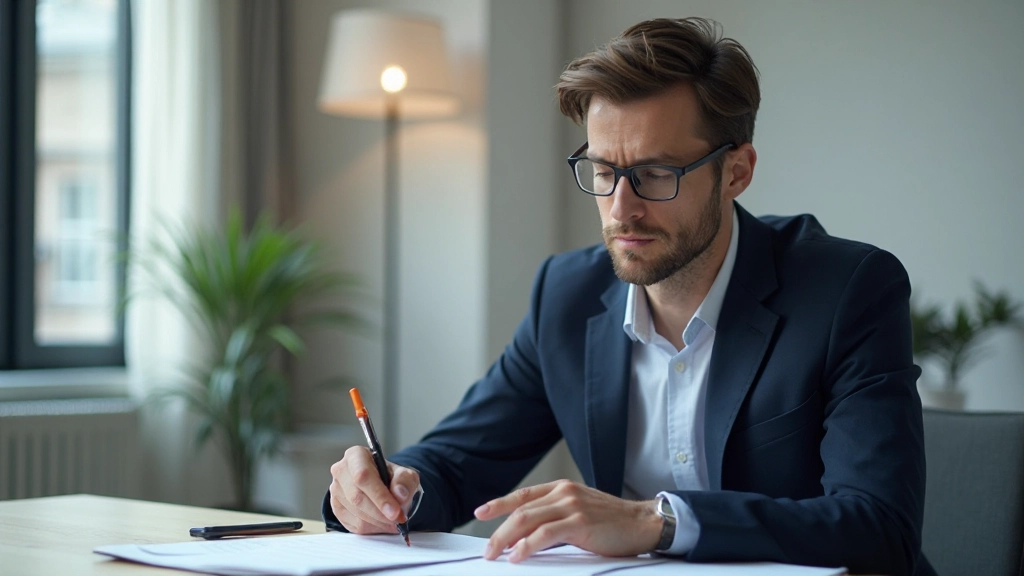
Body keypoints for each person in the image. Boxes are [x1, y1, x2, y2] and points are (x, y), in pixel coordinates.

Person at [323, 17, 934, 576]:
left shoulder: (847, 290)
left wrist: (653, 522)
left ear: (737, 171)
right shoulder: (566, 295)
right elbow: (456, 464)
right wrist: (386, 490)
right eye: (604, 170)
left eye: (657, 173)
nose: (621, 208)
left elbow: (878, 526)